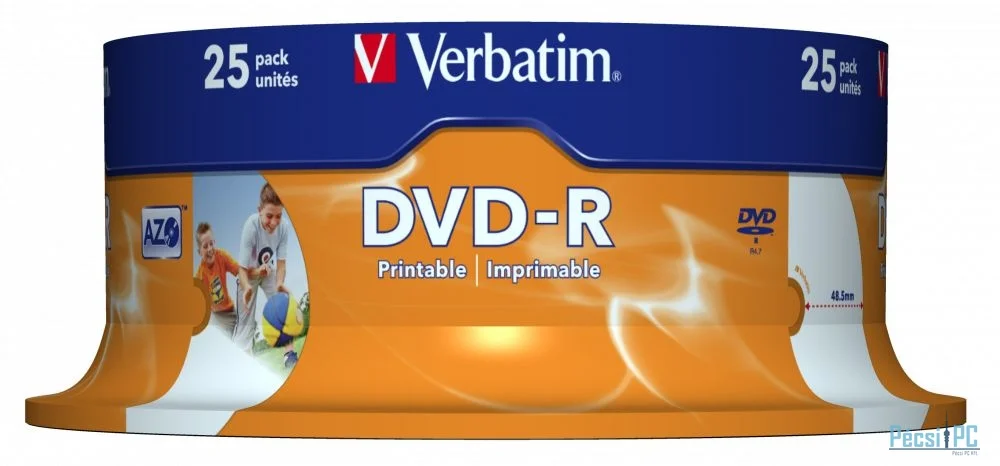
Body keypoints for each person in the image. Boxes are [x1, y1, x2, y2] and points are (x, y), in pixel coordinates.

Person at [235, 183, 299, 367]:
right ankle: (239, 363)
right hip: (248, 275)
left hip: (268, 271)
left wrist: (279, 284)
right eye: (269, 216)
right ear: (259, 211)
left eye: (279, 216)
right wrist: (249, 285)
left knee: (283, 307)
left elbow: (281, 263)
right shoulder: (251, 226)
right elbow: (242, 269)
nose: (274, 222)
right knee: (245, 323)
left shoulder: (283, 227)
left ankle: (289, 355)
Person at [193, 222, 242, 338]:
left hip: (230, 310)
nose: (210, 249)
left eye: (211, 244)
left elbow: (239, 270)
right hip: (216, 316)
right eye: (205, 246)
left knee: (241, 336)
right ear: (199, 252)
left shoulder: (221, 256)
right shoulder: (200, 276)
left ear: (214, 242)